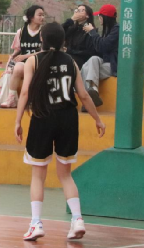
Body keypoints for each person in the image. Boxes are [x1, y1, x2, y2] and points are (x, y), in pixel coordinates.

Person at [14, 22, 105, 242]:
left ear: (41, 39)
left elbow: (25, 93)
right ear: (63, 40)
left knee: (38, 175)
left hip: (42, 118)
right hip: (68, 119)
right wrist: (97, 119)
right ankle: (78, 219)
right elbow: (84, 95)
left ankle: (36, 223)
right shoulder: (70, 61)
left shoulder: (33, 61)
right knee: (65, 174)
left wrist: (17, 120)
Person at [0, 5, 45, 108]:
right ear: (31, 17)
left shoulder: (44, 32)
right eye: (40, 15)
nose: (42, 17)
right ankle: (11, 99)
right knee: (17, 67)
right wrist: (8, 66)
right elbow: (17, 51)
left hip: (39, 62)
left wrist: (25, 56)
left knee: (25, 67)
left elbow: (45, 51)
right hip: (25, 63)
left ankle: (33, 99)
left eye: (43, 15)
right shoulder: (21, 32)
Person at [81, 4, 119, 107]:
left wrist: (93, 32)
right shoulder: (108, 30)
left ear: (103, 17)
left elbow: (103, 46)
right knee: (92, 60)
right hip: (106, 63)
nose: (99, 19)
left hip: (114, 66)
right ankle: (93, 90)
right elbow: (98, 50)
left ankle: (88, 100)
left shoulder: (117, 30)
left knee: (85, 69)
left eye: (99, 16)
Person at [62, 5, 97, 69]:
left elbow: (90, 52)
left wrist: (70, 51)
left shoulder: (90, 31)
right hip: (68, 57)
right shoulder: (72, 28)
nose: (78, 12)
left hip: (81, 61)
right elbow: (59, 32)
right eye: (77, 10)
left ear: (87, 15)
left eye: (82, 10)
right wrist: (71, 20)